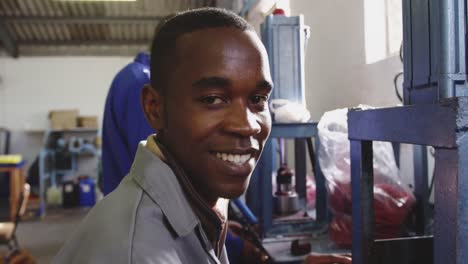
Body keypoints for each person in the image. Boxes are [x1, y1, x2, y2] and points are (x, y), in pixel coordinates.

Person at [54, 7, 273, 264]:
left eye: (257, 99)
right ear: (154, 108)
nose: (247, 126)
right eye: (213, 99)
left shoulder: (195, 207)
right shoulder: (139, 252)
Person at [101, 52, 154, 195]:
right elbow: (147, 152)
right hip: (136, 200)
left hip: (125, 196)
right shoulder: (141, 79)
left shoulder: (133, 75)